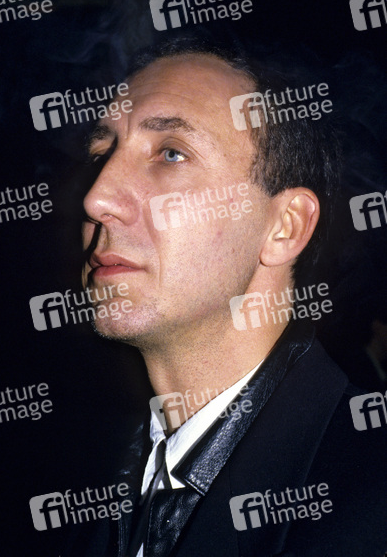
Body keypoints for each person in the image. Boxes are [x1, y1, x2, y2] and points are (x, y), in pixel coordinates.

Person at [65, 38, 387, 557]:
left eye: (171, 154)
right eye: (101, 154)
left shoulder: (368, 502)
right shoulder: (75, 474)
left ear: (284, 227)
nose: (97, 197)